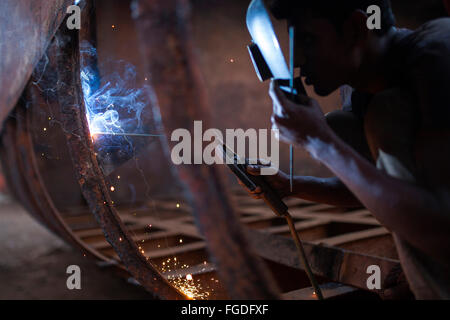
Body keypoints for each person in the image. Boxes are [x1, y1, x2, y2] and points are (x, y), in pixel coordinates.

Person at [240, 0, 450, 299]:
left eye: (308, 40)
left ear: (354, 28)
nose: (297, 59)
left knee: (382, 116)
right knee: (342, 124)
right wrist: (291, 185)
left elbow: (443, 230)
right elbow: (370, 189)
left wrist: (318, 142)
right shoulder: (358, 83)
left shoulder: (437, 55)